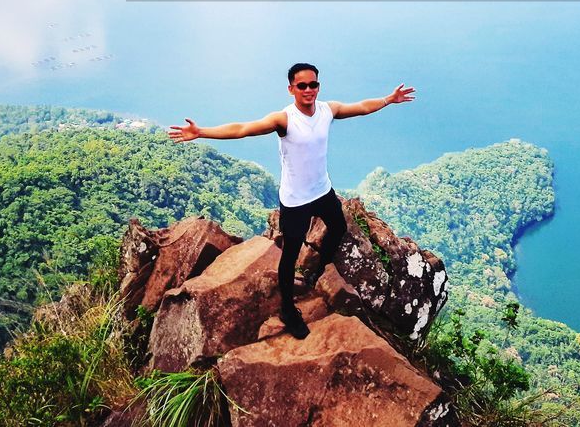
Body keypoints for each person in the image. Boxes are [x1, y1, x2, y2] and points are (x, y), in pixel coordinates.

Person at [168, 63, 415, 339]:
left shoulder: (327, 110)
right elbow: (244, 128)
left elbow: (360, 107)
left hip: (323, 191)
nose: (309, 90)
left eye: (313, 84)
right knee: (289, 255)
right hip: (296, 200)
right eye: (302, 85)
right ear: (291, 89)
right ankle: (288, 309)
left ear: (318, 86)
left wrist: (388, 99)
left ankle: (317, 270)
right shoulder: (284, 119)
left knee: (338, 228)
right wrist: (202, 132)